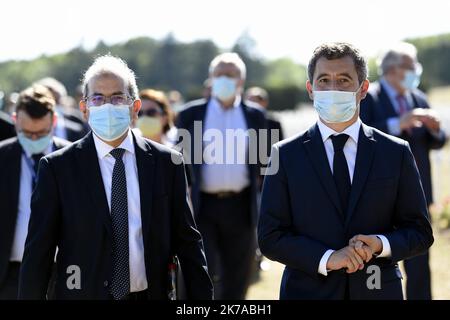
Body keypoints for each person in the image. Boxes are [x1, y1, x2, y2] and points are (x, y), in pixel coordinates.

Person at [18, 55, 213, 300]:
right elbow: (39, 251)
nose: (107, 106)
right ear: (84, 108)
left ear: (135, 107)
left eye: (118, 97)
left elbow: (188, 241)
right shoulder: (58, 168)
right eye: (97, 98)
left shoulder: (167, 163)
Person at [258, 43, 433, 300]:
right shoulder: (284, 155)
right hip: (307, 292)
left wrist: (380, 244)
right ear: (310, 89)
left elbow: (420, 232)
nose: (333, 89)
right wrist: (328, 258)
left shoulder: (395, 152)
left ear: (363, 89)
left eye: (343, 80)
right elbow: (271, 237)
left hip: (377, 291)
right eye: (324, 80)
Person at [176, 53, 267, 299]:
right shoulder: (191, 114)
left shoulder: (256, 116)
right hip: (202, 206)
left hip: (241, 206)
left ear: (242, 81)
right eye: (220, 74)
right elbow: (180, 162)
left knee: (238, 273)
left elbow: (266, 163)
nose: (225, 79)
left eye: (231, 74)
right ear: (211, 78)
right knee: (201, 271)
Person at [360, 43, 447, 300]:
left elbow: (437, 141)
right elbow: (362, 134)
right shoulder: (369, 98)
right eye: (411, 66)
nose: (415, 71)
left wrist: (436, 130)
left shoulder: (418, 97)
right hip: (380, 195)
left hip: (417, 193)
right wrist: (398, 123)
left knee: (420, 260)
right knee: (379, 262)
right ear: (393, 70)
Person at [0, 85, 70, 299]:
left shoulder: (73, 158)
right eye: (26, 133)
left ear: (54, 122)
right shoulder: (2, 157)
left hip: (64, 273)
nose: (33, 139)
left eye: (41, 133)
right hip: (11, 275)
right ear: (15, 120)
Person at [36, 77, 89, 142]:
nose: (52, 107)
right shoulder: (27, 129)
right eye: (45, 103)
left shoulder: (78, 122)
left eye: (56, 101)